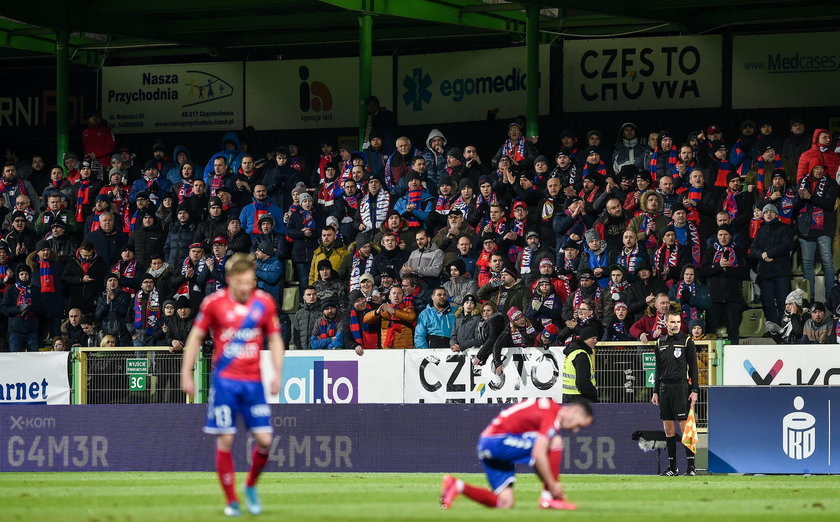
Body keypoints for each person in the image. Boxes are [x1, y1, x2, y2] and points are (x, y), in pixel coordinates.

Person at [180, 253, 285, 517]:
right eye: (241, 282)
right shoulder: (214, 303)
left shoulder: (264, 302)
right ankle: (232, 501)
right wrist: (186, 372)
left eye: (250, 281)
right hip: (225, 382)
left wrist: (277, 373)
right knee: (225, 439)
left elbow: (274, 340)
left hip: (253, 383)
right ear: (229, 280)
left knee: (264, 440)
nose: (246, 286)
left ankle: (250, 485)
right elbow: (195, 337)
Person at [440, 398, 594, 511]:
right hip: (496, 442)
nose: (575, 430)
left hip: (487, 443)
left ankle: (457, 486)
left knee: (505, 503)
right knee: (555, 441)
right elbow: (538, 454)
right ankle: (549, 498)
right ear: (573, 411)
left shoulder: (548, 408)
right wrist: (553, 486)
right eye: (579, 425)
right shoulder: (551, 414)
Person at [651, 310, 699, 476]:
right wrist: (656, 390)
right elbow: (658, 369)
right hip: (664, 388)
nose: (675, 325)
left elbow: (694, 367)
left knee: (685, 428)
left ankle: (691, 467)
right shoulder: (659, 343)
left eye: (678, 322)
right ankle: (673, 468)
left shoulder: (686, 341)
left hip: (681, 387)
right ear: (666, 323)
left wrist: (694, 390)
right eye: (672, 322)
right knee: (668, 429)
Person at [561, 326, 599, 403]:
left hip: (569, 397)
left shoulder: (573, 352)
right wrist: (593, 394)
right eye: (593, 338)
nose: (596, 341)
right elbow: (582, 383)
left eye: (596, 338)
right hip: (580, 398)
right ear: (585, 339)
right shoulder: (581, 355)